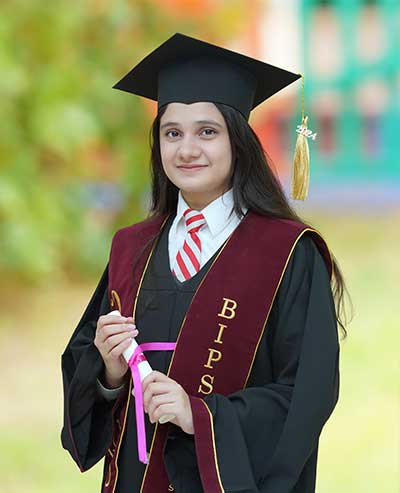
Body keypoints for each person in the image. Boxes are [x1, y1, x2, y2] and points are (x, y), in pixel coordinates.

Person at [61, 33, 350, 493]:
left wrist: (200, 415)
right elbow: (88, 384)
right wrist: (108, 372)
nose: (186, 150)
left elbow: (306, 394)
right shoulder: (130, 248)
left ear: (238, 140)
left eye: (207, 132)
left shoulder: (287, 253)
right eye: (172, 133)